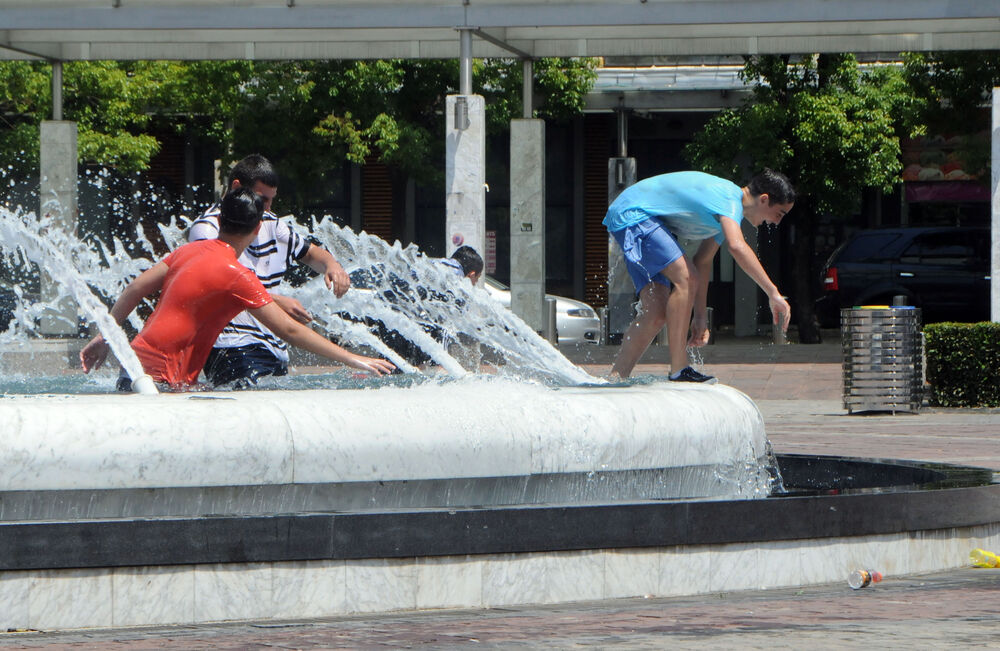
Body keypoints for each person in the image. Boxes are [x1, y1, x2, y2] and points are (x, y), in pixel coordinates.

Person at [79, 188, 394, 390]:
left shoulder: (187, 251)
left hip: (134, 369)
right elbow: (289, 330)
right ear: (257, 229)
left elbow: (134, 288)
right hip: (159, 381)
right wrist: (354, 358)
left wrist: (103, 337)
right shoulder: (237, 274)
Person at [604, 168, 795, 382]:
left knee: (656, 311)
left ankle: (616, 378)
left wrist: (700, 317)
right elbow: (737, 246)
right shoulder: (730, 198)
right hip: (634, 214)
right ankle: (679, 370)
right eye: (779, 214)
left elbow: (702, 261)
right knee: (686, 277)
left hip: (632, 215)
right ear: (764, 199)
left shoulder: (727, 216)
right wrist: (773, 293)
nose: (777, 223)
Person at [188, 154, 352, 387]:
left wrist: (332, 266)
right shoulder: (207, 229)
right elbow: (220, 285)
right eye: (263, 199)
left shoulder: (271, 223)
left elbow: (311, 252)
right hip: (232, 346)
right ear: (237, 187)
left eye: (271, 200)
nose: (268, 208)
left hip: (273, 347)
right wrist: (274, 301)